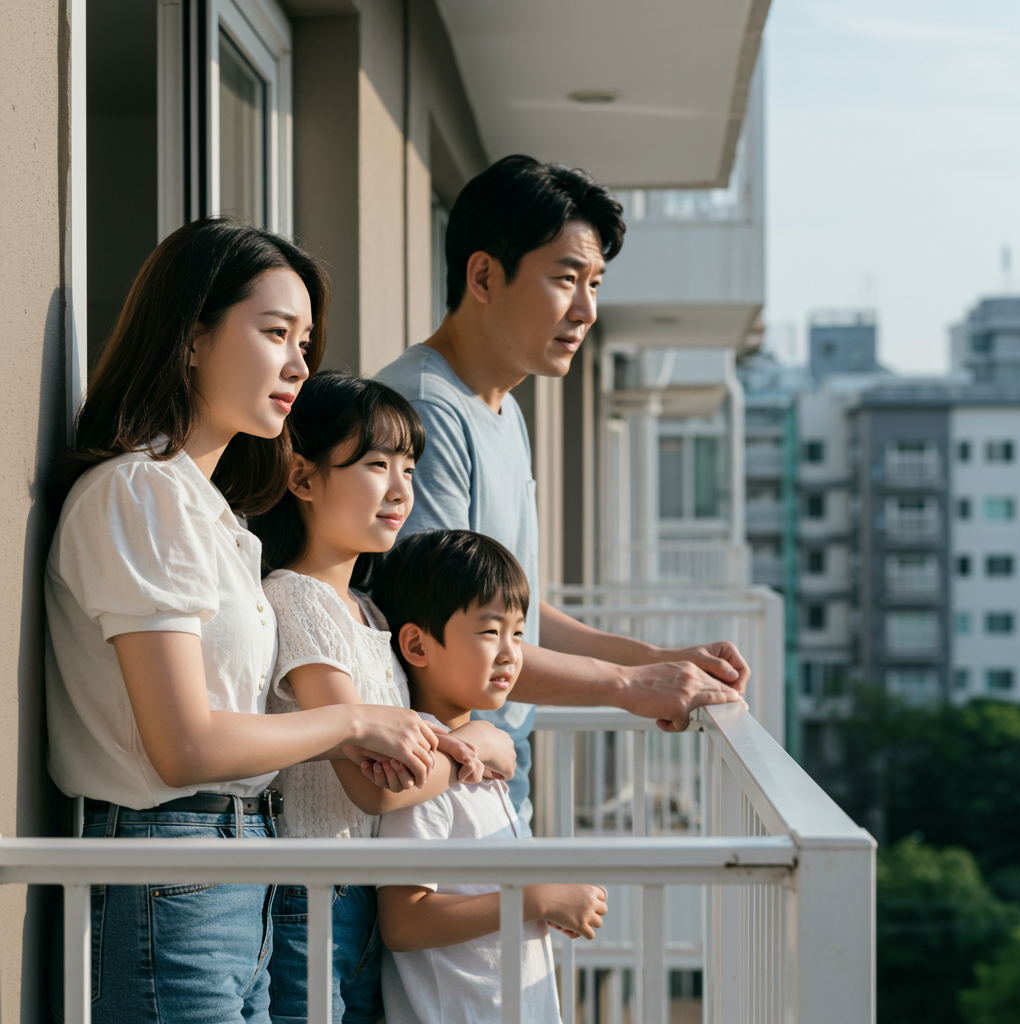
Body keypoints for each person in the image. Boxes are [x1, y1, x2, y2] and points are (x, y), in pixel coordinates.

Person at [45, 218, 439, 1024]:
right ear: (192, 339)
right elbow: (185, 744)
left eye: (305, 340)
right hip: (171, 865)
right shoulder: (139, 494)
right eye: (274, 333)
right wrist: (350, 721)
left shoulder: (216, 518)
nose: (300, 364)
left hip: (240, 865)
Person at [376, 155, 750, 823]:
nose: (586, 310)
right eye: (565, 279)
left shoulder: (500, 410)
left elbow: (514, 618)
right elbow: (450, 638)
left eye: (597, 284)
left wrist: (656, 661)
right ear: (484, 275)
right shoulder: (423, 410)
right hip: (437, 782)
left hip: (489, 771)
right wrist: (629, 685)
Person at [247, 370, 516, 1024]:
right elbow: (372, 786)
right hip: (312, 899)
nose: (402, 490)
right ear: (303, 478)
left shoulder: (368, 610)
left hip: (360, 894)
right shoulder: (298, 597)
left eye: (409, 467)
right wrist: (475, 749)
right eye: (376, 465)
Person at [371, 529, 608, 1024]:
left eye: (518, 633)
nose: (510, 652)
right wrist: (536, 898)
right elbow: (404, 920)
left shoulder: (474, 750)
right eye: (490, 631)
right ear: (416, 644)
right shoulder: (425, 766)